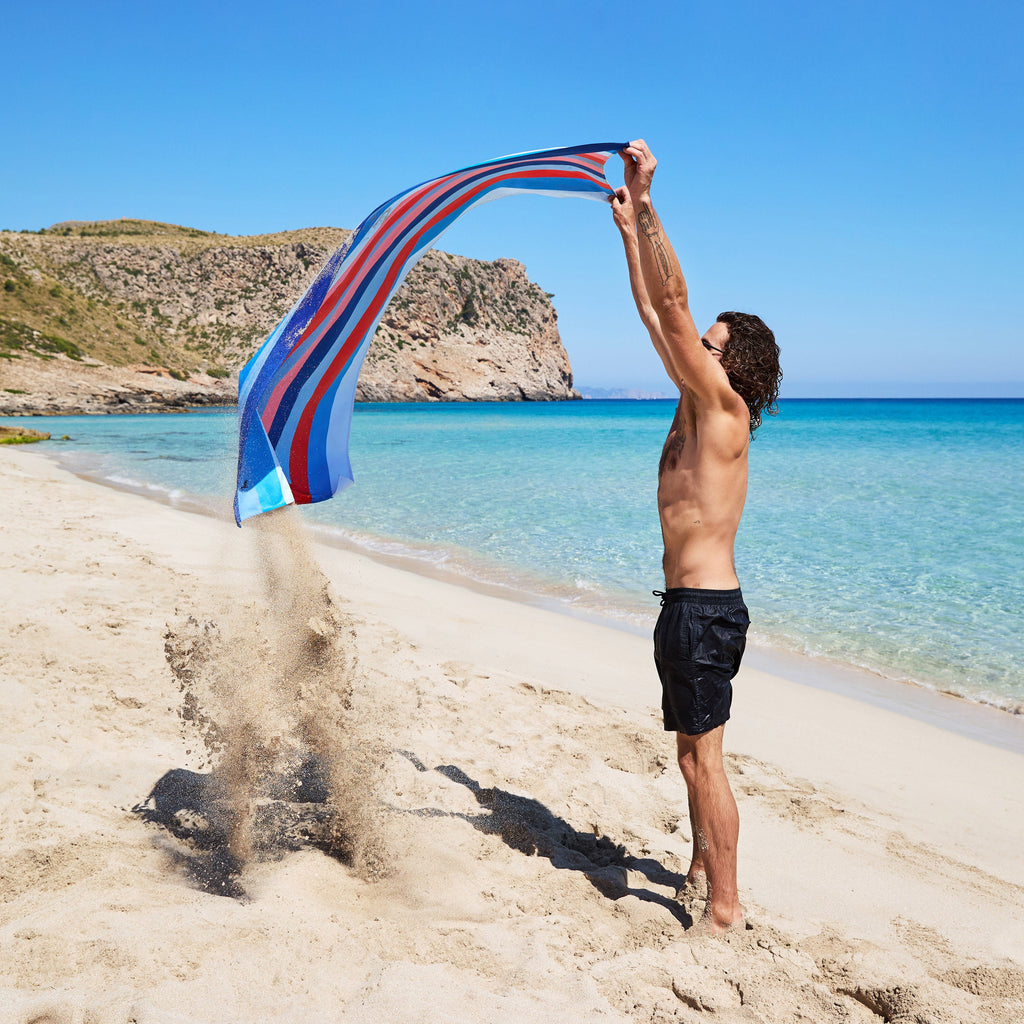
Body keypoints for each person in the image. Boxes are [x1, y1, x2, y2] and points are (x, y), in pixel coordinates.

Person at [611, 139, 782, 934]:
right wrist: (625, 237)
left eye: (710, 346)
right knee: (690, 749)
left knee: (699, 759)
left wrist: (646, 202)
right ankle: (698, 867)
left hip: (705, 613)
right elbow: (657, 314)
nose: (693, 348)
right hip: (687, 607)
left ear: (731, 363)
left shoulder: (723, 409)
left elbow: (674, 307)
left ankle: (725, 910)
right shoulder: (692, 394)